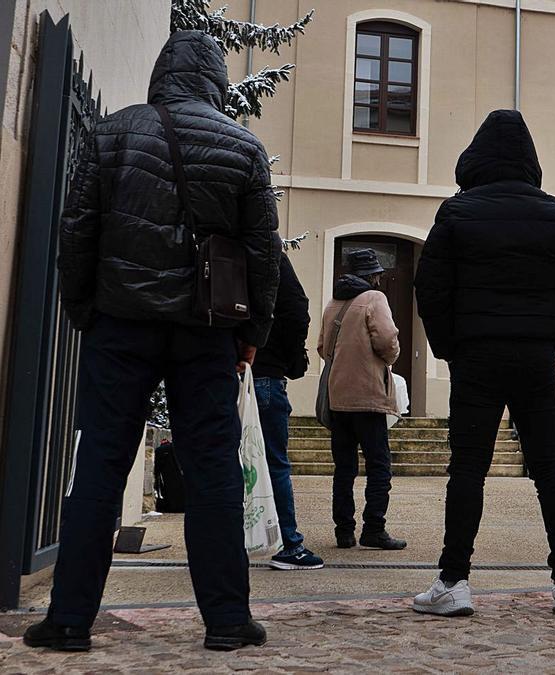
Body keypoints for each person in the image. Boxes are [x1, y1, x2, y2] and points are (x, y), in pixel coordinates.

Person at [26, 31, 280, 652]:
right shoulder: (243, 147)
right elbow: (262, 256)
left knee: (100, 468)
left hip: (122, 323)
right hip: (206, 332)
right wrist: (251, 337)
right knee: (214, 472)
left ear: (160, 76)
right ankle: (225, 621)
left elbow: (77, 230)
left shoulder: (112, 133)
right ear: (218, 82)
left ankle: (67, 621)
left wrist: (86, 310)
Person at [412, 110, 555, 617]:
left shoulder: (457, 212)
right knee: (550, 467)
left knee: (468, 468)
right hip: (535, 353)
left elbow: (430, 287)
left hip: (477, 354)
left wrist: (450, 344)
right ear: (529, 160)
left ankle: (454, 581)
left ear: (478, 156)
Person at [318, 248, 406, 551]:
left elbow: (322, 347)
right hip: (368, 396)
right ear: (373, 275)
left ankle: (344, 532)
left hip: (338, 396)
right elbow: (386, 340)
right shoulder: (374, 299)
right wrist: (389, 359)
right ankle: (374, 529)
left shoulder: (334, 303)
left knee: (344, 469)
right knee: (380, 465)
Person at [254, 253, 324, 570]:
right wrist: (292, 359)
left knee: (217, 461)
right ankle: (289, 544)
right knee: (274, 463)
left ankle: (217, 545)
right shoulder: (267, 254)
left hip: (217, 372)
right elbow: (297, 310)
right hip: (264, 372)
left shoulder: (207, 242)